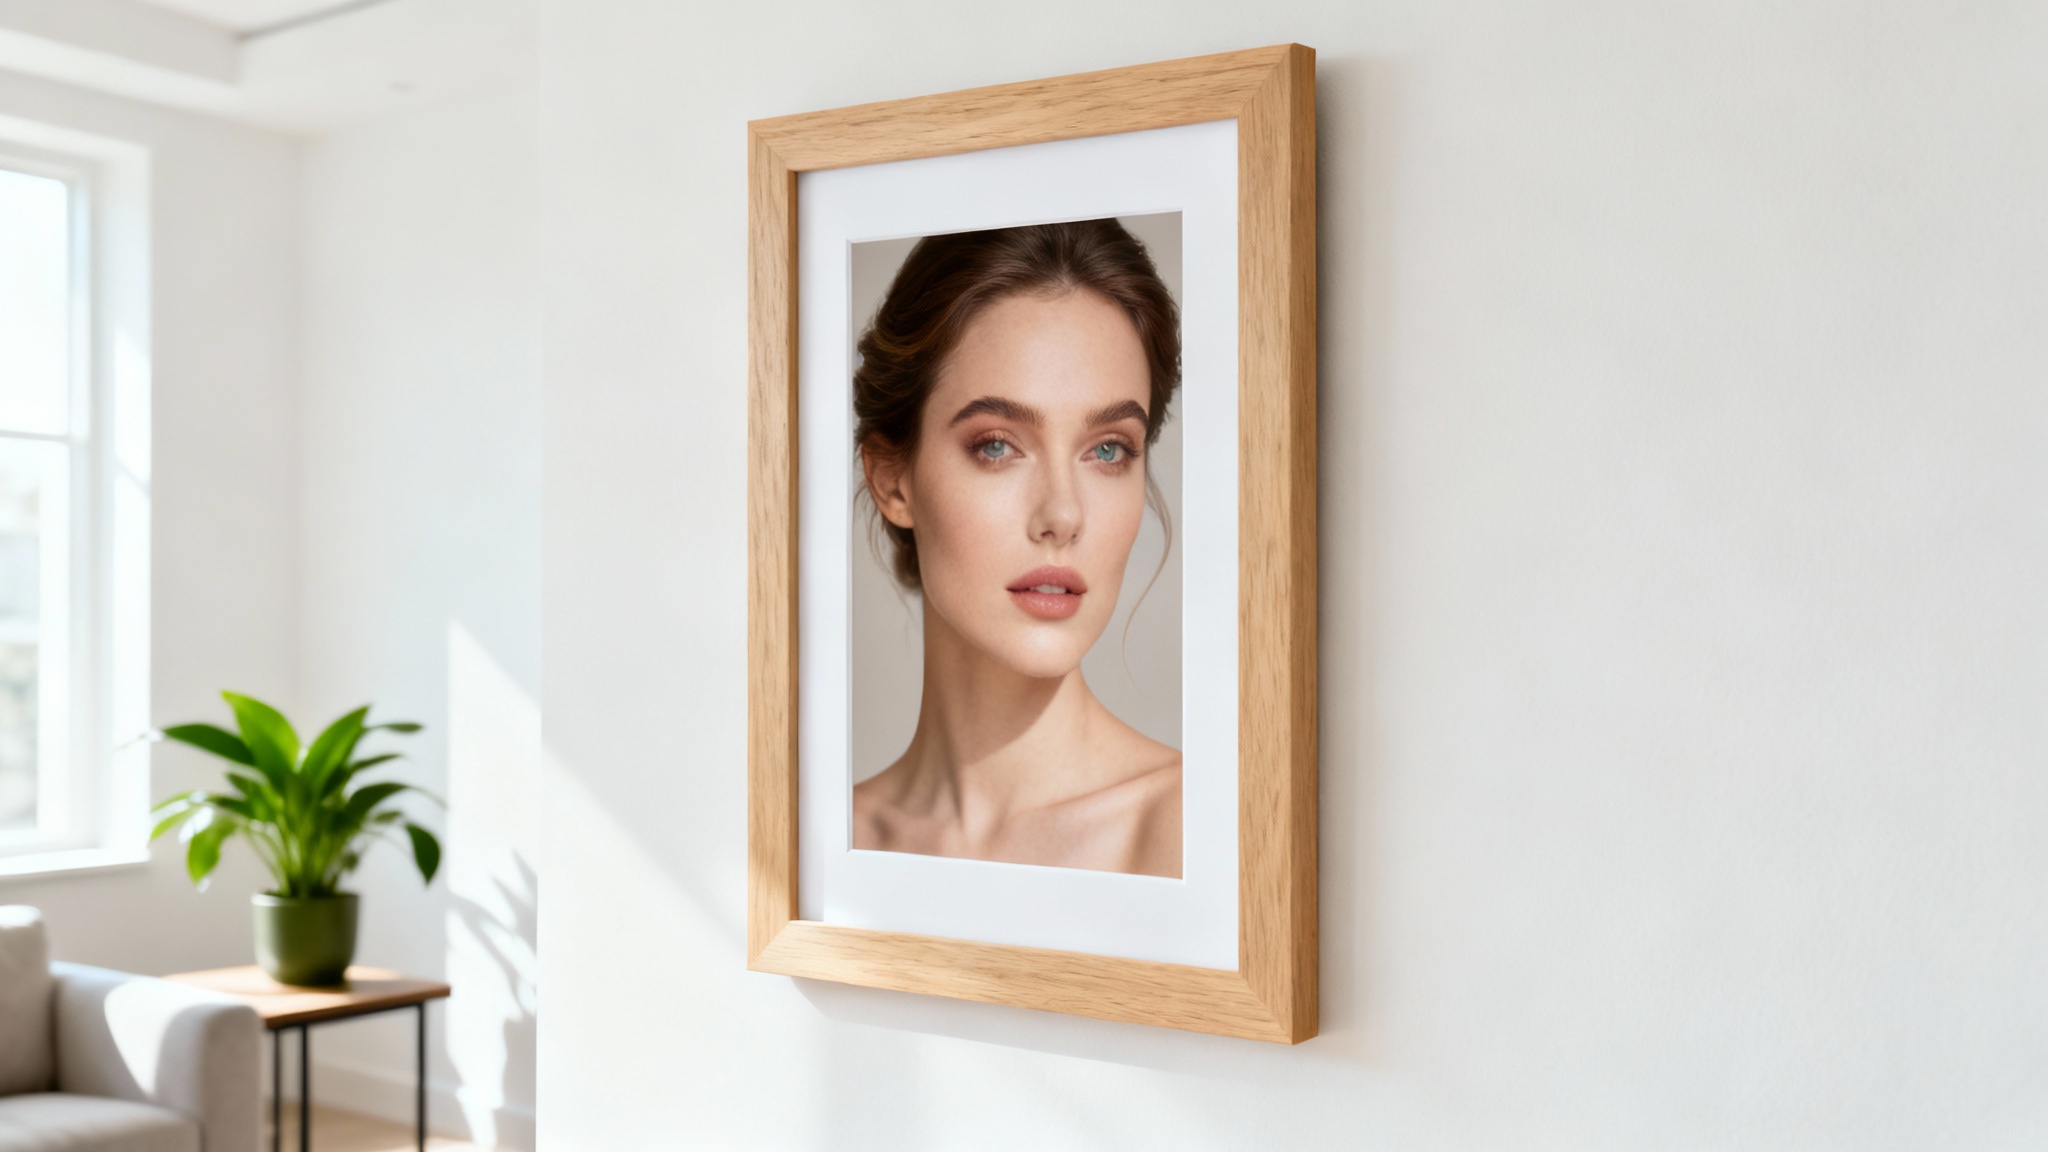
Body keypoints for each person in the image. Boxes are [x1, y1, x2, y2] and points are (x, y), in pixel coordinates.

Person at [851, 219, 1182, 878]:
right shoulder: (818, 847)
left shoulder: (1193, 834)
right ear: (893, 480)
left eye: (1108, 449)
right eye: (997, 444)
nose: (1062, 514)